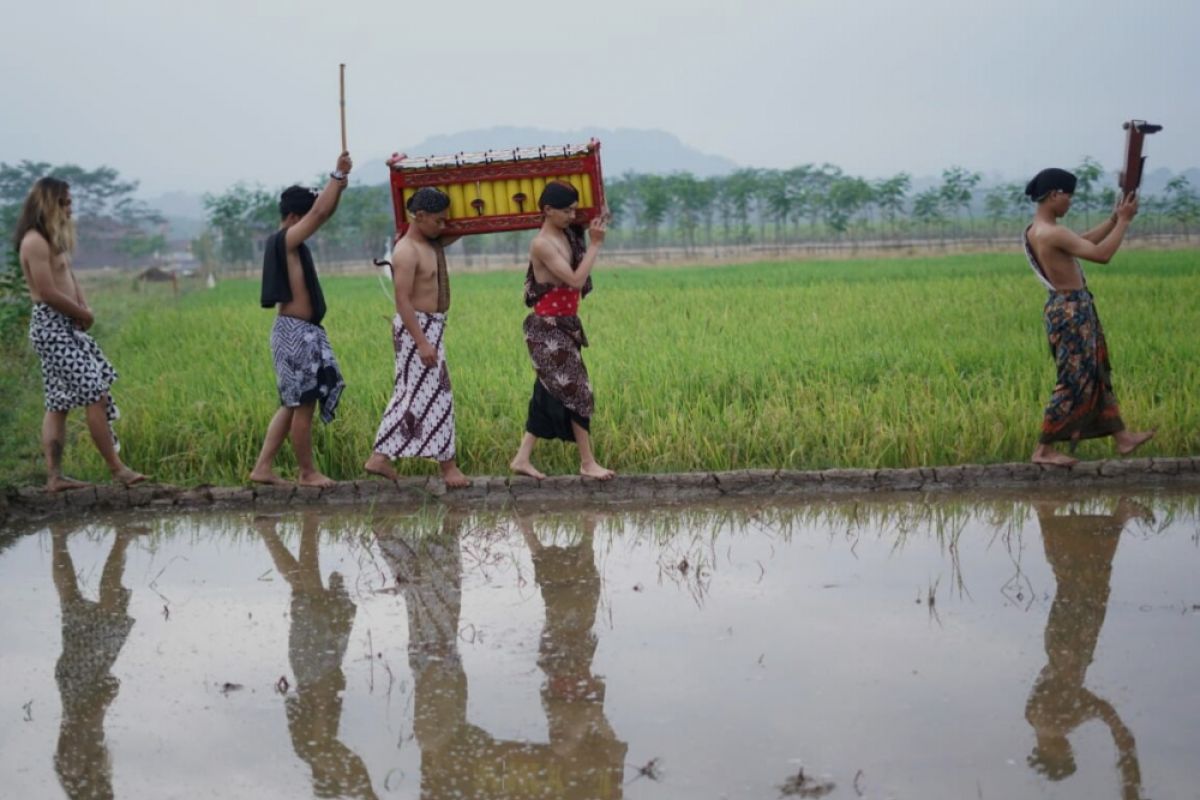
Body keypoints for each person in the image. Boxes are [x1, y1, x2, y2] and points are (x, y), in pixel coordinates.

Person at [15, 177, 147, 491]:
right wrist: (82, 313)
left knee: (58, 404)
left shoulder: (52, 239)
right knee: (95, 394)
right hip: (52, 328)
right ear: (48, 204)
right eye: (65, 203)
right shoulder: (34, 241)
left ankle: (55, 477)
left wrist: (82, 304)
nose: (70, 209)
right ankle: (117, 470)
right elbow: (46, 291)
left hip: (65, 326)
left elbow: (68, 276)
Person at [1022, 168, 1153, 467]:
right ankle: (1043, 450)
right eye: (1068, 196)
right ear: (1054, 194)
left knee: (1096, 372)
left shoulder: (1038, 229)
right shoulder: (1053, 231)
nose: (1070, 203)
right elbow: (1101, 254)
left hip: (1070, 307)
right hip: (1071, 311)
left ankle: (1122, 438)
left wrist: (1112, 220)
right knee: (1073, 379)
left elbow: (1080, 243)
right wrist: (1125, 221)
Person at [249, 152, 352, 488]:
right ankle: (307, 472)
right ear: (294, 217)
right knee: (302, 405)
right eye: (306, 219)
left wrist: (339, 187)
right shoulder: (285, 240)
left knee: (292, 405)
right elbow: (320, 213)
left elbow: (325, 211)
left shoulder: (289, 241)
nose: (313, 225)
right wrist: (337, 175)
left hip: (298, 332)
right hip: (295, 334)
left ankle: (263, 467)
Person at [364, 187, 469, 488]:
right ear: (419, 216)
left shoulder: (430, 243)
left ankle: (384, 457)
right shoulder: (406, 250)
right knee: (423, 395)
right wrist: (422, 342)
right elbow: (402, 301)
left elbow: (454, 232)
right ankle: (445, 469)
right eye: (438, 220)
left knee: (428, 396)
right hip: (416, 331)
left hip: (431, 327)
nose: (443, 226)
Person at [509, 181, 614, 480]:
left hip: (565, 325)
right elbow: (575, 280)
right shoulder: (543, 243)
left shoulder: (568, 232)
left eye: (574, 210)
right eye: (566, 210)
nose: (572, 215)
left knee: (547, 391)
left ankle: (521, 458)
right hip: (547, 330)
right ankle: (587, 463)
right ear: (547, 210)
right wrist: (595, 245)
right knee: (578, 390)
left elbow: (602, 214)